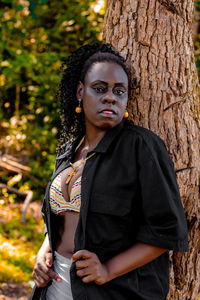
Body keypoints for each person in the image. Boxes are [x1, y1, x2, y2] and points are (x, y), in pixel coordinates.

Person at [30, 43, 188, 300]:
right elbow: (59, 218)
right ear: (81, 91)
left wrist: (107, 269)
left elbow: (168, 230)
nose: (110, 97)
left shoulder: (141, 146)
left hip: (112, 291)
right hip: (54, 284)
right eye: (100, 88)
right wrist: (44, 250)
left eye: (119, 91)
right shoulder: (70, 150)